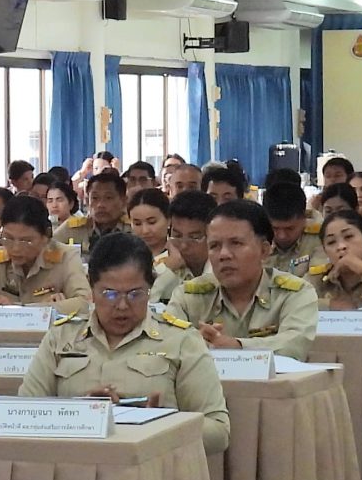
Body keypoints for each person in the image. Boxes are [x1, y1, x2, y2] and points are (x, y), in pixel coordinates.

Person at [19, 231, 230, 451]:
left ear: (150, 287)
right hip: (74, 463)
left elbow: (219, 432)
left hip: (152, 465)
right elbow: (23, 415)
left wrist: (160, 424)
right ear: (91, 287)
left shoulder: (181, 340)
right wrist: (81, 414)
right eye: (109, 294)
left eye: (135, 294)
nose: (122, 306)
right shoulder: (61, 336)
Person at [169, 200, 320, 357]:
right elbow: (165, 345)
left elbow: (294, 346)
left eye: (236, 243)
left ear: (264, 250)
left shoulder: (296, 293)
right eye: (214, 246)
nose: (224, 255)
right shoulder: (187, 297)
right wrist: (192, 345)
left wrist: (238, 347)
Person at [0, 195, 86, 309]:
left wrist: (24, 309)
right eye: (8, 238)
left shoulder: (65, 257)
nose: (16, 248)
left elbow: (84, 302)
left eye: (26, 241)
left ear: (46, 236)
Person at [153, 188, 217, 302]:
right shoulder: (160, 266)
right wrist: (167, 271)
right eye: (177, 235)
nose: (183, 246)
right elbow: (141, 304)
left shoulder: (223, 269)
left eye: (194, 237)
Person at [264, 176, 323, 267]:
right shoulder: (255, 238)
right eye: (275, 228)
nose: (282, 236)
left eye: (289, 229)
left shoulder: (321, 238)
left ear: (304, 217)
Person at [125, 187, 171, 262]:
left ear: (168, 219)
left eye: (152, 222)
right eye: (137, 224)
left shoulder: (182, 250)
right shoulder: (124, 254)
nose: (145, 231)